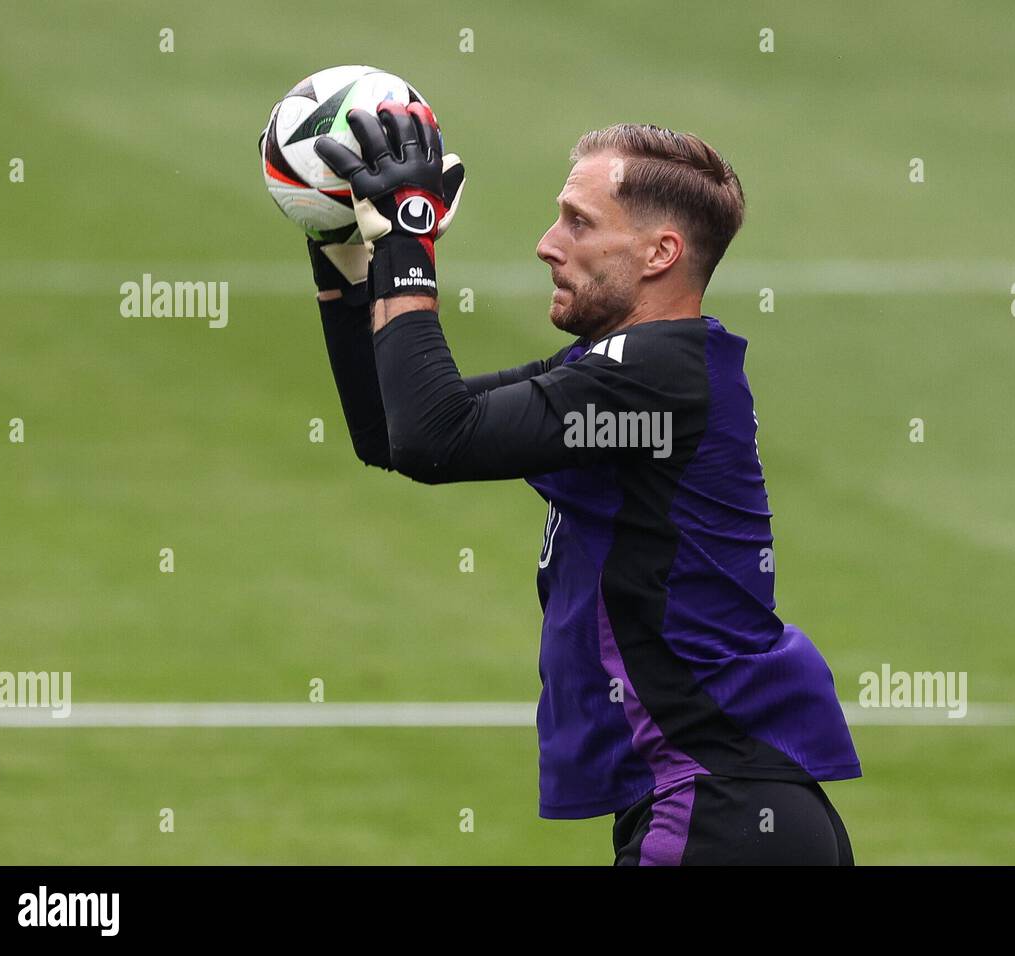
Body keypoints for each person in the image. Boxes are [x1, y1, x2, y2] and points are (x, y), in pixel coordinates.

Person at [308, 101, 861, 865]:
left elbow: (434, 436)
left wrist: (408, 234)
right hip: (727, 807)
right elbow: (396, 432)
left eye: (578, 221)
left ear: (660, 252)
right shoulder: (622, 373)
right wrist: (342, 256)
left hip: (715, 807)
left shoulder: (654, 377)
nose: (546, 245)